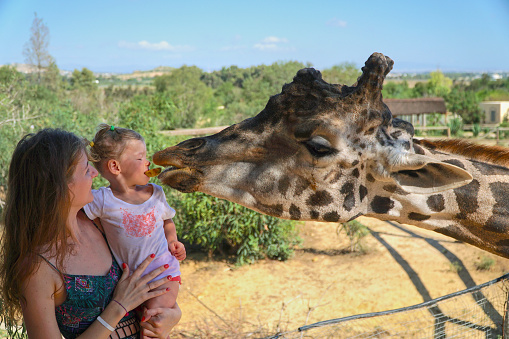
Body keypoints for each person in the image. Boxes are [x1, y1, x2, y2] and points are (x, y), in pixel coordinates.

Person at [0, 128, 181, 339]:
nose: (96, 173)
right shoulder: (36, 268)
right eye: (87, 169)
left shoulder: (102, 224)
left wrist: (173, 315)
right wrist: (118, 307)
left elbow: (151, 282)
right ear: (60, 186)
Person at [84, 124, 186, 314]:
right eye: (140, 158)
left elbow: (167, 221)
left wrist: (173, 241)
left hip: (164, 270)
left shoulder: (156, 193)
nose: (147, 162)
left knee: (155, 314)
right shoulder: (101, 200)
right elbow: (75, 211)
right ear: (115, 166)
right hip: (130, 281)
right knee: (143, 322)